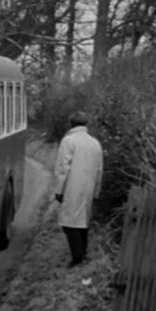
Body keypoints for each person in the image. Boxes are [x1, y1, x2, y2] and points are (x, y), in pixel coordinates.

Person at [53, 111, 104, 268]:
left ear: (71, 124)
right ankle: (83, 253)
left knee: (69, 223)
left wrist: (59, 190)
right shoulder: (95, 143)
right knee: (83, 221)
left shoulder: (68, 141)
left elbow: (63, 168)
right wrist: (96, 191)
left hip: (72, 186)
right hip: (89, 187)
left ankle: (77, 257)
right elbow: (99, 170)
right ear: (85, 124)